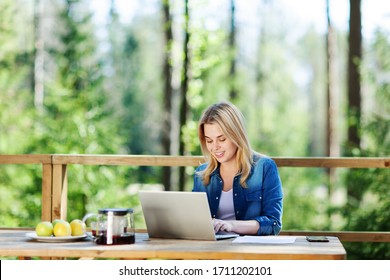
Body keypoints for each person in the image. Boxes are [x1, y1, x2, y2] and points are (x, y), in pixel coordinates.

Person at [192, 101, 283, 236]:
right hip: (211, 250)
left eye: (221, 139)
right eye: (209, 141)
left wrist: (231, 225)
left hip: (247, 251)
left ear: (236, 135)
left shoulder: (264, 168)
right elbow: (194, 221)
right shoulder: (202, 174)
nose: (215, 147)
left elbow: (273, 223)